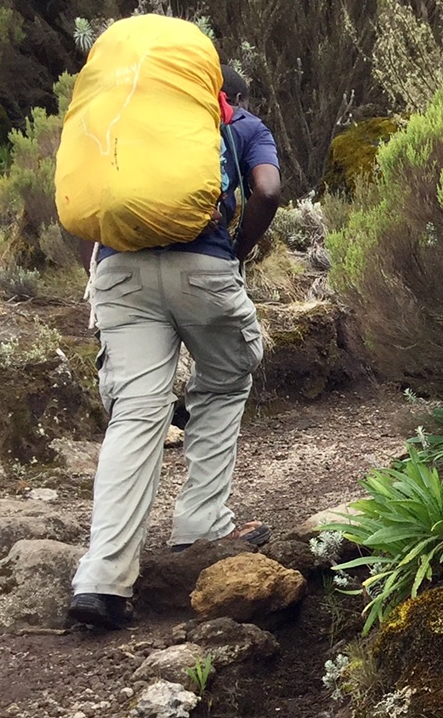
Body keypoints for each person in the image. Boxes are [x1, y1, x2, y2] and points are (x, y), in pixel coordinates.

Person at [68, 64, 282, 629]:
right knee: (226, 377)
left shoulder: (120, 120)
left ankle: (102, 579)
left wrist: (108, 268)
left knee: (137, 413)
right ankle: (201, 521)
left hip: (118, 271)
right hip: (203, 265)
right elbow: (268, 190)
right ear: (227, 94)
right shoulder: (243, 125)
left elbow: (78, 200)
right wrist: (235, 251)